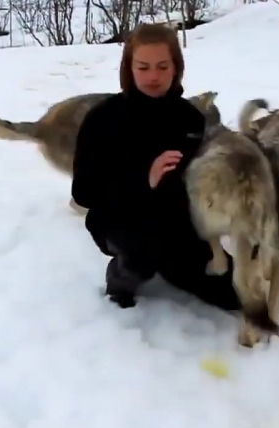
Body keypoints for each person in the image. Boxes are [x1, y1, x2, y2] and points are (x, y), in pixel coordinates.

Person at [71, 23, 242, 312]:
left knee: (234, 292)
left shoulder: (190, 119)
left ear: (176, 67)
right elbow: (84, 192)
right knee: (143, 254)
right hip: (118, 218)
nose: (153, 76)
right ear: (129, 68)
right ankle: (121, 276)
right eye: (143, 67)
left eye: (163, 66)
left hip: (175, 221)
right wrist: (143, 179)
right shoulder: (103, 118)